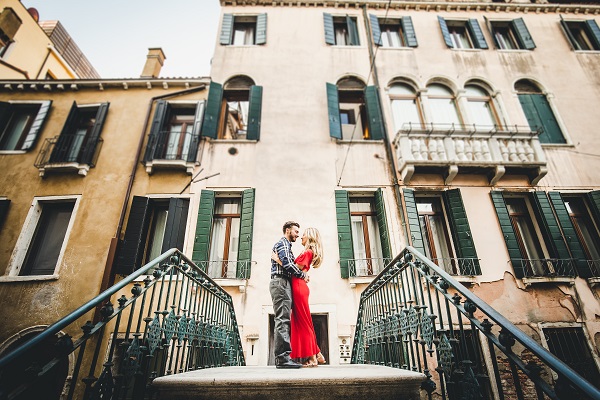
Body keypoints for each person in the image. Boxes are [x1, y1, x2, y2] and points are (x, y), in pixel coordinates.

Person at [273, 227, 326, 367]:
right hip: (299, 287)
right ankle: (316, 354)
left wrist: (278, 260)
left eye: (303, 235)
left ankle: (313, 358)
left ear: (309, 237)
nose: (301, 237)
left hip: (298, 288)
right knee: (304, 322)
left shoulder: (307, 252)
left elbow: (292, 269)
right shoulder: (307, 252)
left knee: (304, 323)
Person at [270, 221, 309, 369]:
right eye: (296, 231)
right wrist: (302, 275)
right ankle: (283, 358)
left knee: (284, 319)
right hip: (280, 283)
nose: (298, 235)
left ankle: (284, 357)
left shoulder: (285, 245)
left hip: (282, 283)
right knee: (282, 320)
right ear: (288, 231)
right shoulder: (283, 244)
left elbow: (285, 263)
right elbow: (288, 264)